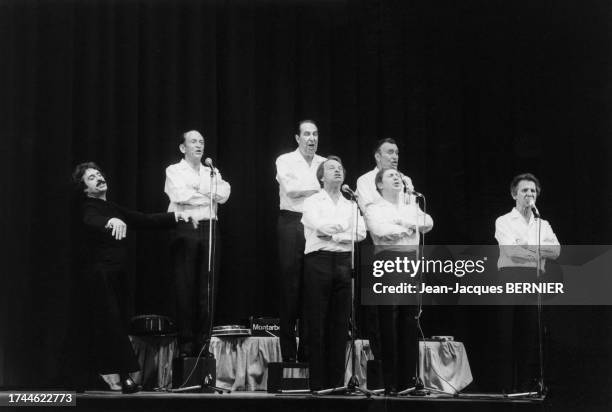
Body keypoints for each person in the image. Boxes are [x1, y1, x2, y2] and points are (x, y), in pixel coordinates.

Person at [70, 162, 194, 393]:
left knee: (105, 327)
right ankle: (125, 377)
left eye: (99, 174)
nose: (98, 178)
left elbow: (144, 219)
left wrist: (177, 215)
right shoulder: (89, 206)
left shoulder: (113, 207)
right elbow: (90, 220)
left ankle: (84, 377)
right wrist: (109, 222)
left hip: (117, 276)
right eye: (91, 178)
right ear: (85, 188)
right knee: (112, 325)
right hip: (100, 276)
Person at [364, 168, 433, 395]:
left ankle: (408, 381)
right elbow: (379, 230)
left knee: (409, 319)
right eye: (391, 176)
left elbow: (428, 222)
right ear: (380, 185)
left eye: (399, 176)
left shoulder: (411, 204)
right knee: (388, 320)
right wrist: (407, 226)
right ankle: (390, 381)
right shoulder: (374, 207)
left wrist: (401, 221)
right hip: (388, 261)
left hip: (410, 262)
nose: (397, 178)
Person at [301, 156, 366, 390]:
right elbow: (318, 226)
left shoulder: (351, 204)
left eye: (340, 168)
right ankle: (318, 383)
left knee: (340, 324)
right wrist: (342, 229)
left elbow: (360, 232)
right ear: (321, 176)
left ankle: (337, 382)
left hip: (343, 261)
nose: (337, 171)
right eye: (331, 168)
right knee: (318, 322)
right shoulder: (312, 201)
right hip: (319, 260)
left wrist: (335, 234)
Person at [164, 130, 231, 357]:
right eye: (193, 141)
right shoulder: (174, 170)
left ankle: (204, 344)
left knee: (208, 288)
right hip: (185, 227)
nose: (199, 145)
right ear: (183, 147)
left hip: (210, 227)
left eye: (202, 141)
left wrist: (200, 190)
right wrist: (207, 193)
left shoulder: (211, 170)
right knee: (185, 287)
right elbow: (180, 195)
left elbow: (224, 193)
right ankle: (185, 345)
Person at [494, 173, 560, 393]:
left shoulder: (543, 223)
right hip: (510, 277)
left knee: (529, 334)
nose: (529, 194)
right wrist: (539, 251)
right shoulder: (503, 221)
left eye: (533, 191)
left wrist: (527, 248)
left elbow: (557, 251)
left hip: (533, 279)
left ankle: (524, 388)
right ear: (514, 194)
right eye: (524, 190)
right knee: (507, 334)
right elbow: (511, 252)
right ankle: (506, 387)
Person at [275, 120, 326, 362]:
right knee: (290, 288)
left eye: (315, 134)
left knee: (312, 289)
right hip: (291, 223)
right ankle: (288, 355)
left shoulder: (324, 163)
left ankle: (308, 355)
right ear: (297, 138)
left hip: (316, 224)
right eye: (306, 134)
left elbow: (330, 193)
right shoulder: (285, 160)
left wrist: (311, 189)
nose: (311, 139)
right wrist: (318, 189)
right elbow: (292, 189)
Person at [356, 138, 415, 212]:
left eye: (396, 153)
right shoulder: (365, 180)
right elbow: (367, 211)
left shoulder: (405, 180)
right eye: (390, 152)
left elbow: (414, 209)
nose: (395, 157)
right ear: (378, 157)